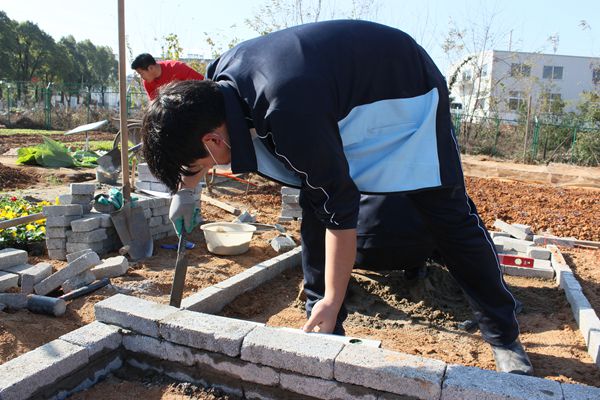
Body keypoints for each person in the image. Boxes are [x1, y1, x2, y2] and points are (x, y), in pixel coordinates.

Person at [141, 20, 533, 375]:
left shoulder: (287, 112)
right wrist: (185, 193)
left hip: (408, 90)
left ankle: (503, 334)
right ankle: (324, 325)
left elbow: (342, 213)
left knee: (447, 214)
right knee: (316, 200)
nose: (202, 174)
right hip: (340, 94)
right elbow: (319, 198)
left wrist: (333, 296)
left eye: (199, 168)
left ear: (212, 140)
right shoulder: (216, 84)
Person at [131, 53, 205, 100]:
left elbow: (204, 85)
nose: (141, 77)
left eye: (141, 73)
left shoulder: (177, 68)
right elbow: (154, 105)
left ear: (151, 68)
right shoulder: (147, 82)